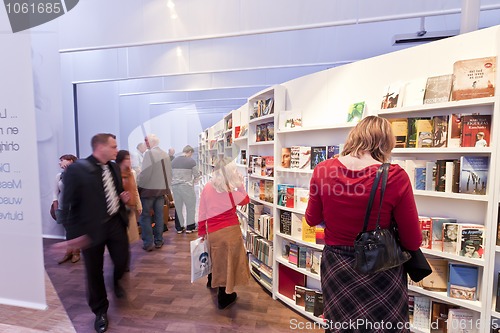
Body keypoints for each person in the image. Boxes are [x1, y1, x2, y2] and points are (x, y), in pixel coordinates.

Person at [305, 116, 422, 332]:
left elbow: (311, 219)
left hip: (336, 267)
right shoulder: (395, 176)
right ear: (386, 143)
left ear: (354, 137)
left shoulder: (322, 169)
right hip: (380, 268)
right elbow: (413, 241)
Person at [55, 133, 131, 333]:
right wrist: (72, 237)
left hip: (115, 222)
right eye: (113, 147)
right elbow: (67, 202)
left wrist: (121, 199)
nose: (117, 150)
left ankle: (115, 281)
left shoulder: (113, 166)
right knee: (94, 271)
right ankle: (100, 311)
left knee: (123, 260)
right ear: (100, 148)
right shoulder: (77, 170)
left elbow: (114, 190)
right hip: (91, 229)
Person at [198, 158, 251, 310]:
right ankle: (224, 295)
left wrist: (202, 231)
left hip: (213, 232)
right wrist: (240, 185)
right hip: (230, 232)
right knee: (229, 263)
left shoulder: (207, 187)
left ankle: (212, 280)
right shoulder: (231, 192)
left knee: (216, 257)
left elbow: (202, 212)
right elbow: (246, 200)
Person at [137, 134, 172, 251]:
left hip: (148, 192)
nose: (145, 143)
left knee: (145, 217)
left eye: (146, 140)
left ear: (151, 142)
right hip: (161, 190)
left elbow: (145, 174)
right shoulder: (165, 154)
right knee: (159, 216)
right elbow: (169, 173)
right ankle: (158, 241)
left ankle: (147, 243)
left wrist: (139, 187)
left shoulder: (149, 154)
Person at [53, 154, 80, 264]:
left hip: (75, 208)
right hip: (62, 207)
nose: (60, 163)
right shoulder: (59, 176)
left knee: (76, 230)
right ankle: (69, 252)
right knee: (68, 231)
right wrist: (56, 207)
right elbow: (55, 192)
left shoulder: (78, 175)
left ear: (70, 161)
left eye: (62, 160)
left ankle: (76, 252)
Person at [171, 145, 201, 234]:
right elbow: (197, 175)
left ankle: (179, 228)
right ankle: (190, 228)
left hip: (175, 187)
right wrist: (194, 180)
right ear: (190, 152)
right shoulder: (190, 161)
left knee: (178, 207)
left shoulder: (174, 161)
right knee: (190, 206)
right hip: (186, 187)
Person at [116, 150, 142, 245]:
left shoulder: (130, 173)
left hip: (130, 207)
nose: (129, 161)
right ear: (120, 160)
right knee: (121, 237)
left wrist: (138, 205)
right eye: (127, 158)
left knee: (129, 238)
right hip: (120, 210)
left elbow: (134, 189)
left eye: (129, 158)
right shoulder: (116, 174)